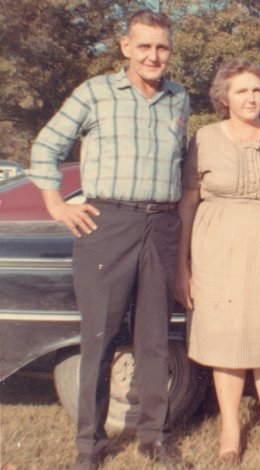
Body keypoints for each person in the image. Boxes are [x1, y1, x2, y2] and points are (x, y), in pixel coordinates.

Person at [28, 10, 191, 470]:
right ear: (126, 47)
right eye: (144, 46)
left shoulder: (180, 99)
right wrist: (57, 205)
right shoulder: (95, 92)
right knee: (99, 339)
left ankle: (155, 438)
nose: (153, 56)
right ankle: (90, 446)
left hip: (161, 225)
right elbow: (45, 147)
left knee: (155, 340)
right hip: (108, 224)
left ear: (170, 50)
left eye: (162, 47)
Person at [175, 58, 260, 465]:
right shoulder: (204, 138)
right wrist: (182, 264)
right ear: (224, 98)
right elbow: (187, 204)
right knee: (226, 340)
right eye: (241, 91)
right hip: (217, 252)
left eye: (257, 90)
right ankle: (231, 430)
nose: (251, 98)